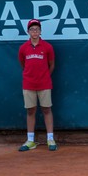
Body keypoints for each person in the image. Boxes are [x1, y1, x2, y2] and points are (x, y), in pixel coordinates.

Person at [18, 19, 58, 152]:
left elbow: (51, 65)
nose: (34, 31)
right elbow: (23, 64)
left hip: (44, 83)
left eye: (37, 29)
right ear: (28, 32)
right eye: (32, 29)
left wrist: (44, 76)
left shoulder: (47, 47)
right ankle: (30, 141)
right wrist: (31, 76)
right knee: (30, 111)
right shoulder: (23, 48)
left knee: (46, 109)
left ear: (40, 31)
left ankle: (50, 139)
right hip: (28, 84)